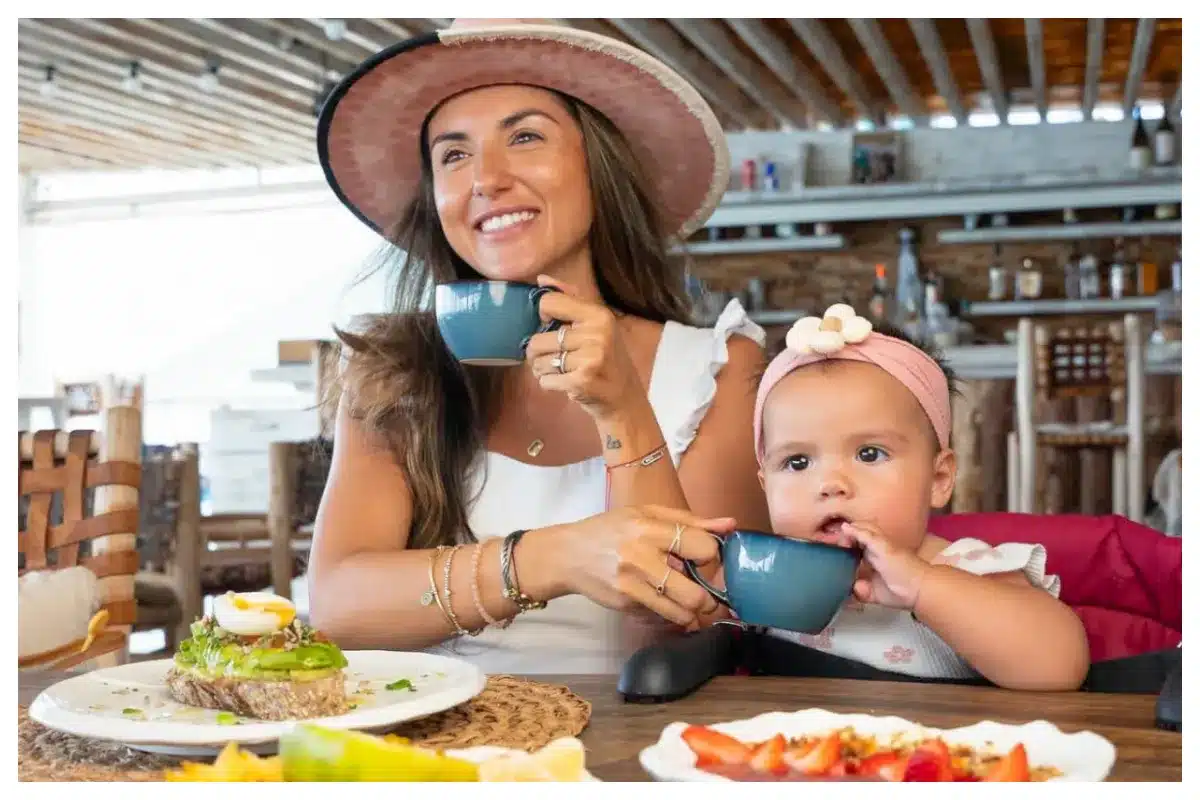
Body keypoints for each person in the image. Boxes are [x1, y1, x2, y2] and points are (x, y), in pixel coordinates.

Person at [307, 19, 771, 674]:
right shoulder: (394, 370)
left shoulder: (718, 366)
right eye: (453, 155)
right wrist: (553, 558)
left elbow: (698, 622)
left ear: (596, 166)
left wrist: (624, 413)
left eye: (525, 137)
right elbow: (336, 606)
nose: (484, 180)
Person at [753, 303, 1090, 690]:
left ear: (939, 478)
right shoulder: (762, 580)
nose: (830, 483)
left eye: (869, 454)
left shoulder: (968, 570)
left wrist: (922, 586)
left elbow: (1059, 665)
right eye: (797, 462)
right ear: (764, 484)